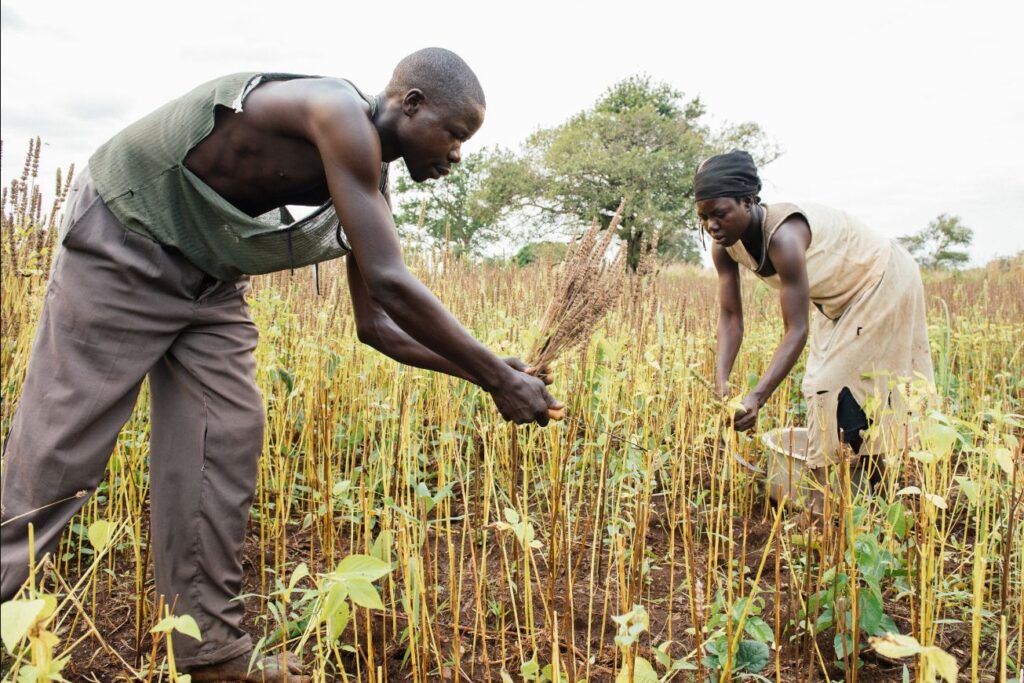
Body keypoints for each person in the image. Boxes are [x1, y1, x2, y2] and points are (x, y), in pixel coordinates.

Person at [0, 48, 561, 682]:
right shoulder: (337, 113)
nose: (458, 153)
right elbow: (391, 280)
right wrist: (497, 374)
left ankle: (209, 650)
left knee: (226, 436)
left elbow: (376, 326)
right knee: (60, 454)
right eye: (455, 133)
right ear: (411, 104)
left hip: (209, 281)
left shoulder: (367, 184)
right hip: (125, 239)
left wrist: (490, 376)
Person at [696, 150, 934, 486]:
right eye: (703, 217)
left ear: (748, 201)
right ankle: (870, 485)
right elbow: (731, 317)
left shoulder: (784, 237)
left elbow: (796, 329)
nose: (711, 226)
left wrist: (756, 398)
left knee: (825, 386)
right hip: (834, 298)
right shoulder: (724, 246)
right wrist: (721, 383)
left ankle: (824, 499)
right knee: (843, 388)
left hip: (880, 278)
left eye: (720, 214)